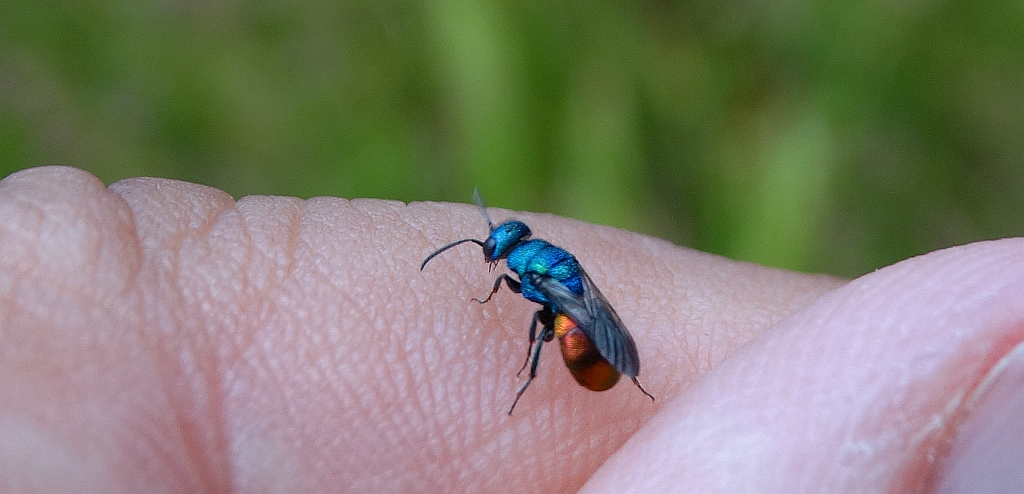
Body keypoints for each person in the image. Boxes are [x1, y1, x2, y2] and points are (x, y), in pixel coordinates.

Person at [1, 165, 1021, 493]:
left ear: (512, 259)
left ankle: (572, 378)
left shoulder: (540, 282)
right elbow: (555, 285)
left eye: (497, 254)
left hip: (587, 348)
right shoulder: (540, 267)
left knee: (560, 347)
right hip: (589, 331)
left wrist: (573, 342)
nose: (496, 260)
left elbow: (559, 299)